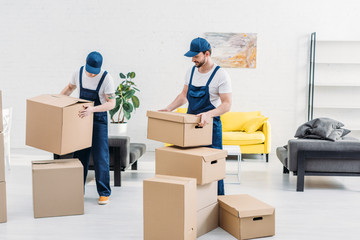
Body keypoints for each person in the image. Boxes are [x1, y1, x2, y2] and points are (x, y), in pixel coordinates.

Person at [160, 37, 232, 195]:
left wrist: (208, 114)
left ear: (207, 54)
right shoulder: (191, 71)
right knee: (190, 166)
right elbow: (184, 95)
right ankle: (194, 202)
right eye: (191, 56)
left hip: (210, 128)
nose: (193, 60)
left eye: (196, 56)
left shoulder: (221, 75)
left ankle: (217, 202)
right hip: (191, 128)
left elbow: (226, 104)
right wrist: (168, 108)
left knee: (213, 168)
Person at [60, 51, 115, 205]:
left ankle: (104, 193)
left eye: (94, 73)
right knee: (80, 156)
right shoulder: (78, 73)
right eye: (90, 71)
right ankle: (78, 190)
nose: (92, 75)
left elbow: (112, 104)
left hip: (98, 120)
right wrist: (58, 101)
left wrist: (93, 109)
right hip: (82, 119)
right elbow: (70, 88)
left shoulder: (106, 78)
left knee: (100, 157)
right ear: (86, 64)